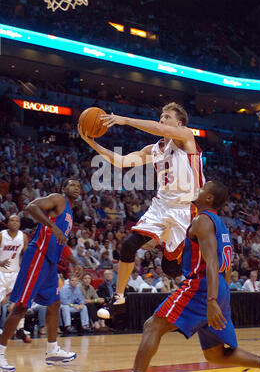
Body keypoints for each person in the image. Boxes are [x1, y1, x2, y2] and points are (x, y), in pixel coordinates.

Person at [102, 181, 260, 372]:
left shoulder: (202, 220)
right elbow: (226, 266)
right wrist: (220, 295)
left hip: (202, 286)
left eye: (202, 189)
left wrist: (211, 299)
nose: (197, 190)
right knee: (215, 353)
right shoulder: (219, 224)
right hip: (219, 286)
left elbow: (211, 262)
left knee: (153, 326)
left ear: (209, 198)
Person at [78, 102, 205, 316]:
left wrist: (124, 119)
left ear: (179, 123)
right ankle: (118, 299)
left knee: (170, 269)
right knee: (128, 246)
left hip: (186, 209)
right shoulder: (153, 149)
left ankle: (164, 248)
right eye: (161, 116)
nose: (162, 120)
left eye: (167, 117)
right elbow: (120, 161)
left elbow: (162, 130)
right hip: (162, 205)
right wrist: (91, 142)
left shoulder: (185, 138)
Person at [0, 178, 82, 372]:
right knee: (21, 306)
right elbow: (31, 207)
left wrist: (76, 262)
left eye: (79, 186)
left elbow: (60, 243)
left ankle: (52, 349)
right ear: (63, 188)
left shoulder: (70, 213)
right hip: (38, 254)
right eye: (72, 185)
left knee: (54, 303)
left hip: (50, 262)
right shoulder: (58, 200)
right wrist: (52, 226)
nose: (76, 188)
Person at [0, 214, 30, 342]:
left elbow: (26, 255)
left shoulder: (23, 237)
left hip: (15, 273)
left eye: (17, 220)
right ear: (8, 222)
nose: (15, 222)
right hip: (0, 272)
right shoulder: (2, 235)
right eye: (12, 220)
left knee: (19, 303)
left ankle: (20, 329)